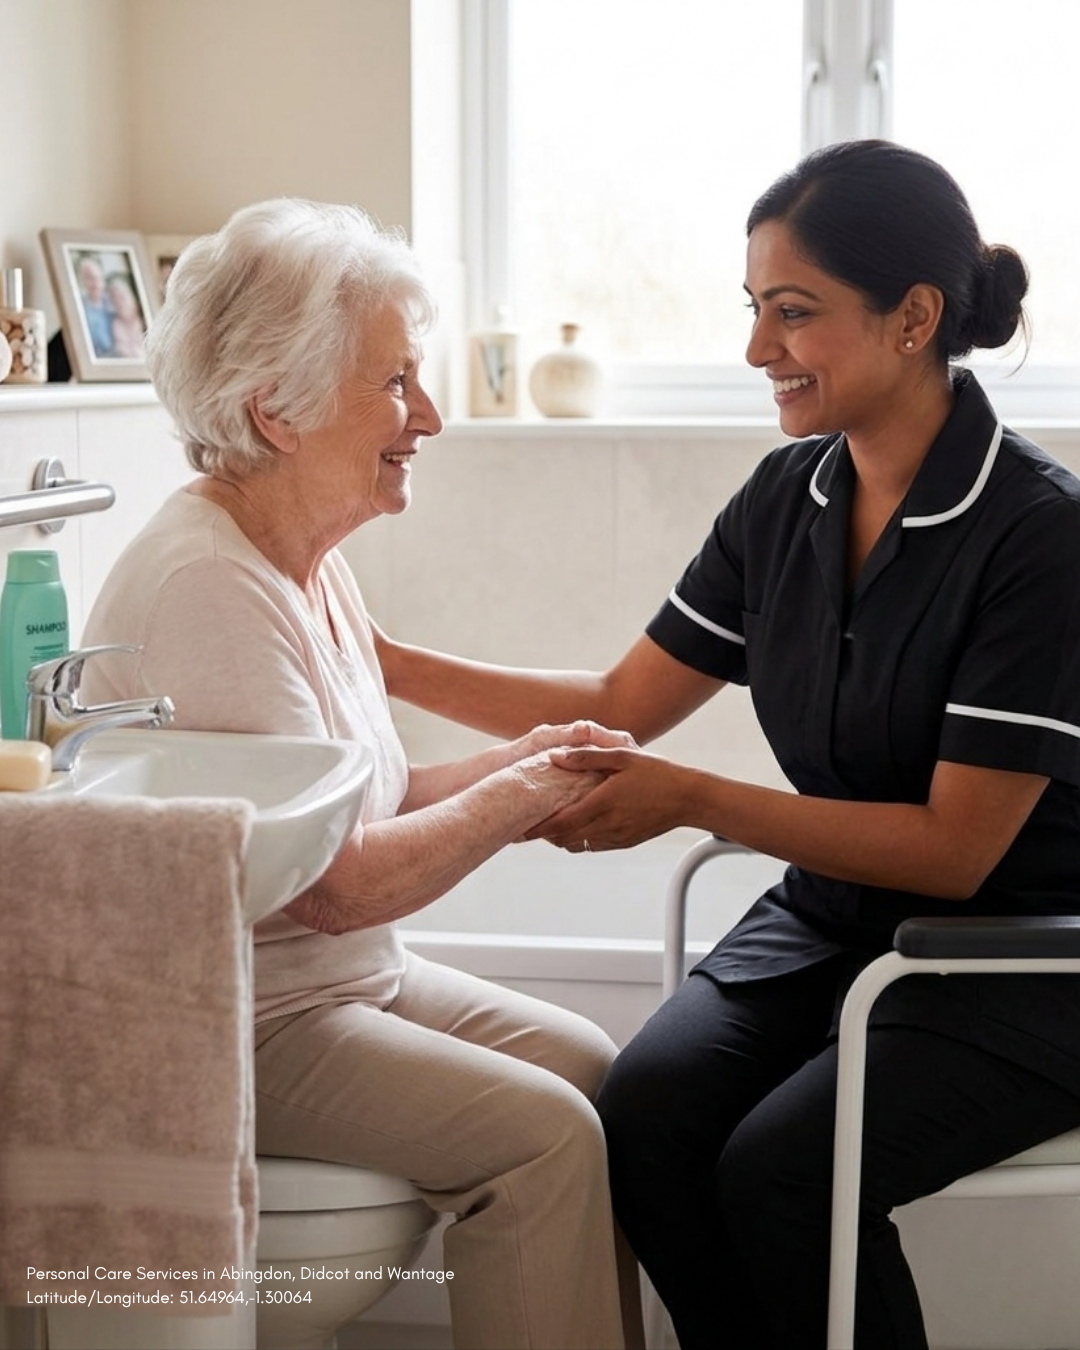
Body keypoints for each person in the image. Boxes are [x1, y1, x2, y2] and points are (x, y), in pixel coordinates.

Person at [375, 141, 1080, 1349]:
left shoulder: (1039, 537)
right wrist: (371, 652)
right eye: (754, 309)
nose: (758, 350)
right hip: (828, 921)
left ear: (914, 318)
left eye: (793, 314)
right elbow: (616, 697)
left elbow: (959, 852)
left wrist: (693, 799)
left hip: (1021, 963)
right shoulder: (785, 499)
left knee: (781, 1169)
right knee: (639, 1121)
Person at [80, 198, 644, 1350]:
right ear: (274, 411)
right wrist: (517, 798)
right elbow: (326, 885)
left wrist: (518, 766)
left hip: (338, 986)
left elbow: (361, 797)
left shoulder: (305, 561)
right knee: (543, 1136)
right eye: (394, 384)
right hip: (236, 1021)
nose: (427, 416)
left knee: (596, 1071)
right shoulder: (207, 588)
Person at [75, 254, 114, 357]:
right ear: (82, 281)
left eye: (97, 277)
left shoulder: (114, 303)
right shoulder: (79, 309)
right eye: (89, 278)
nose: (94, 282)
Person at [106, 272, 146, 359]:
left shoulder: (145, 315)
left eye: (121, 296)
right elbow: (122, 350)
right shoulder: (115, 324)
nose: (118, 302)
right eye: (114, 298)